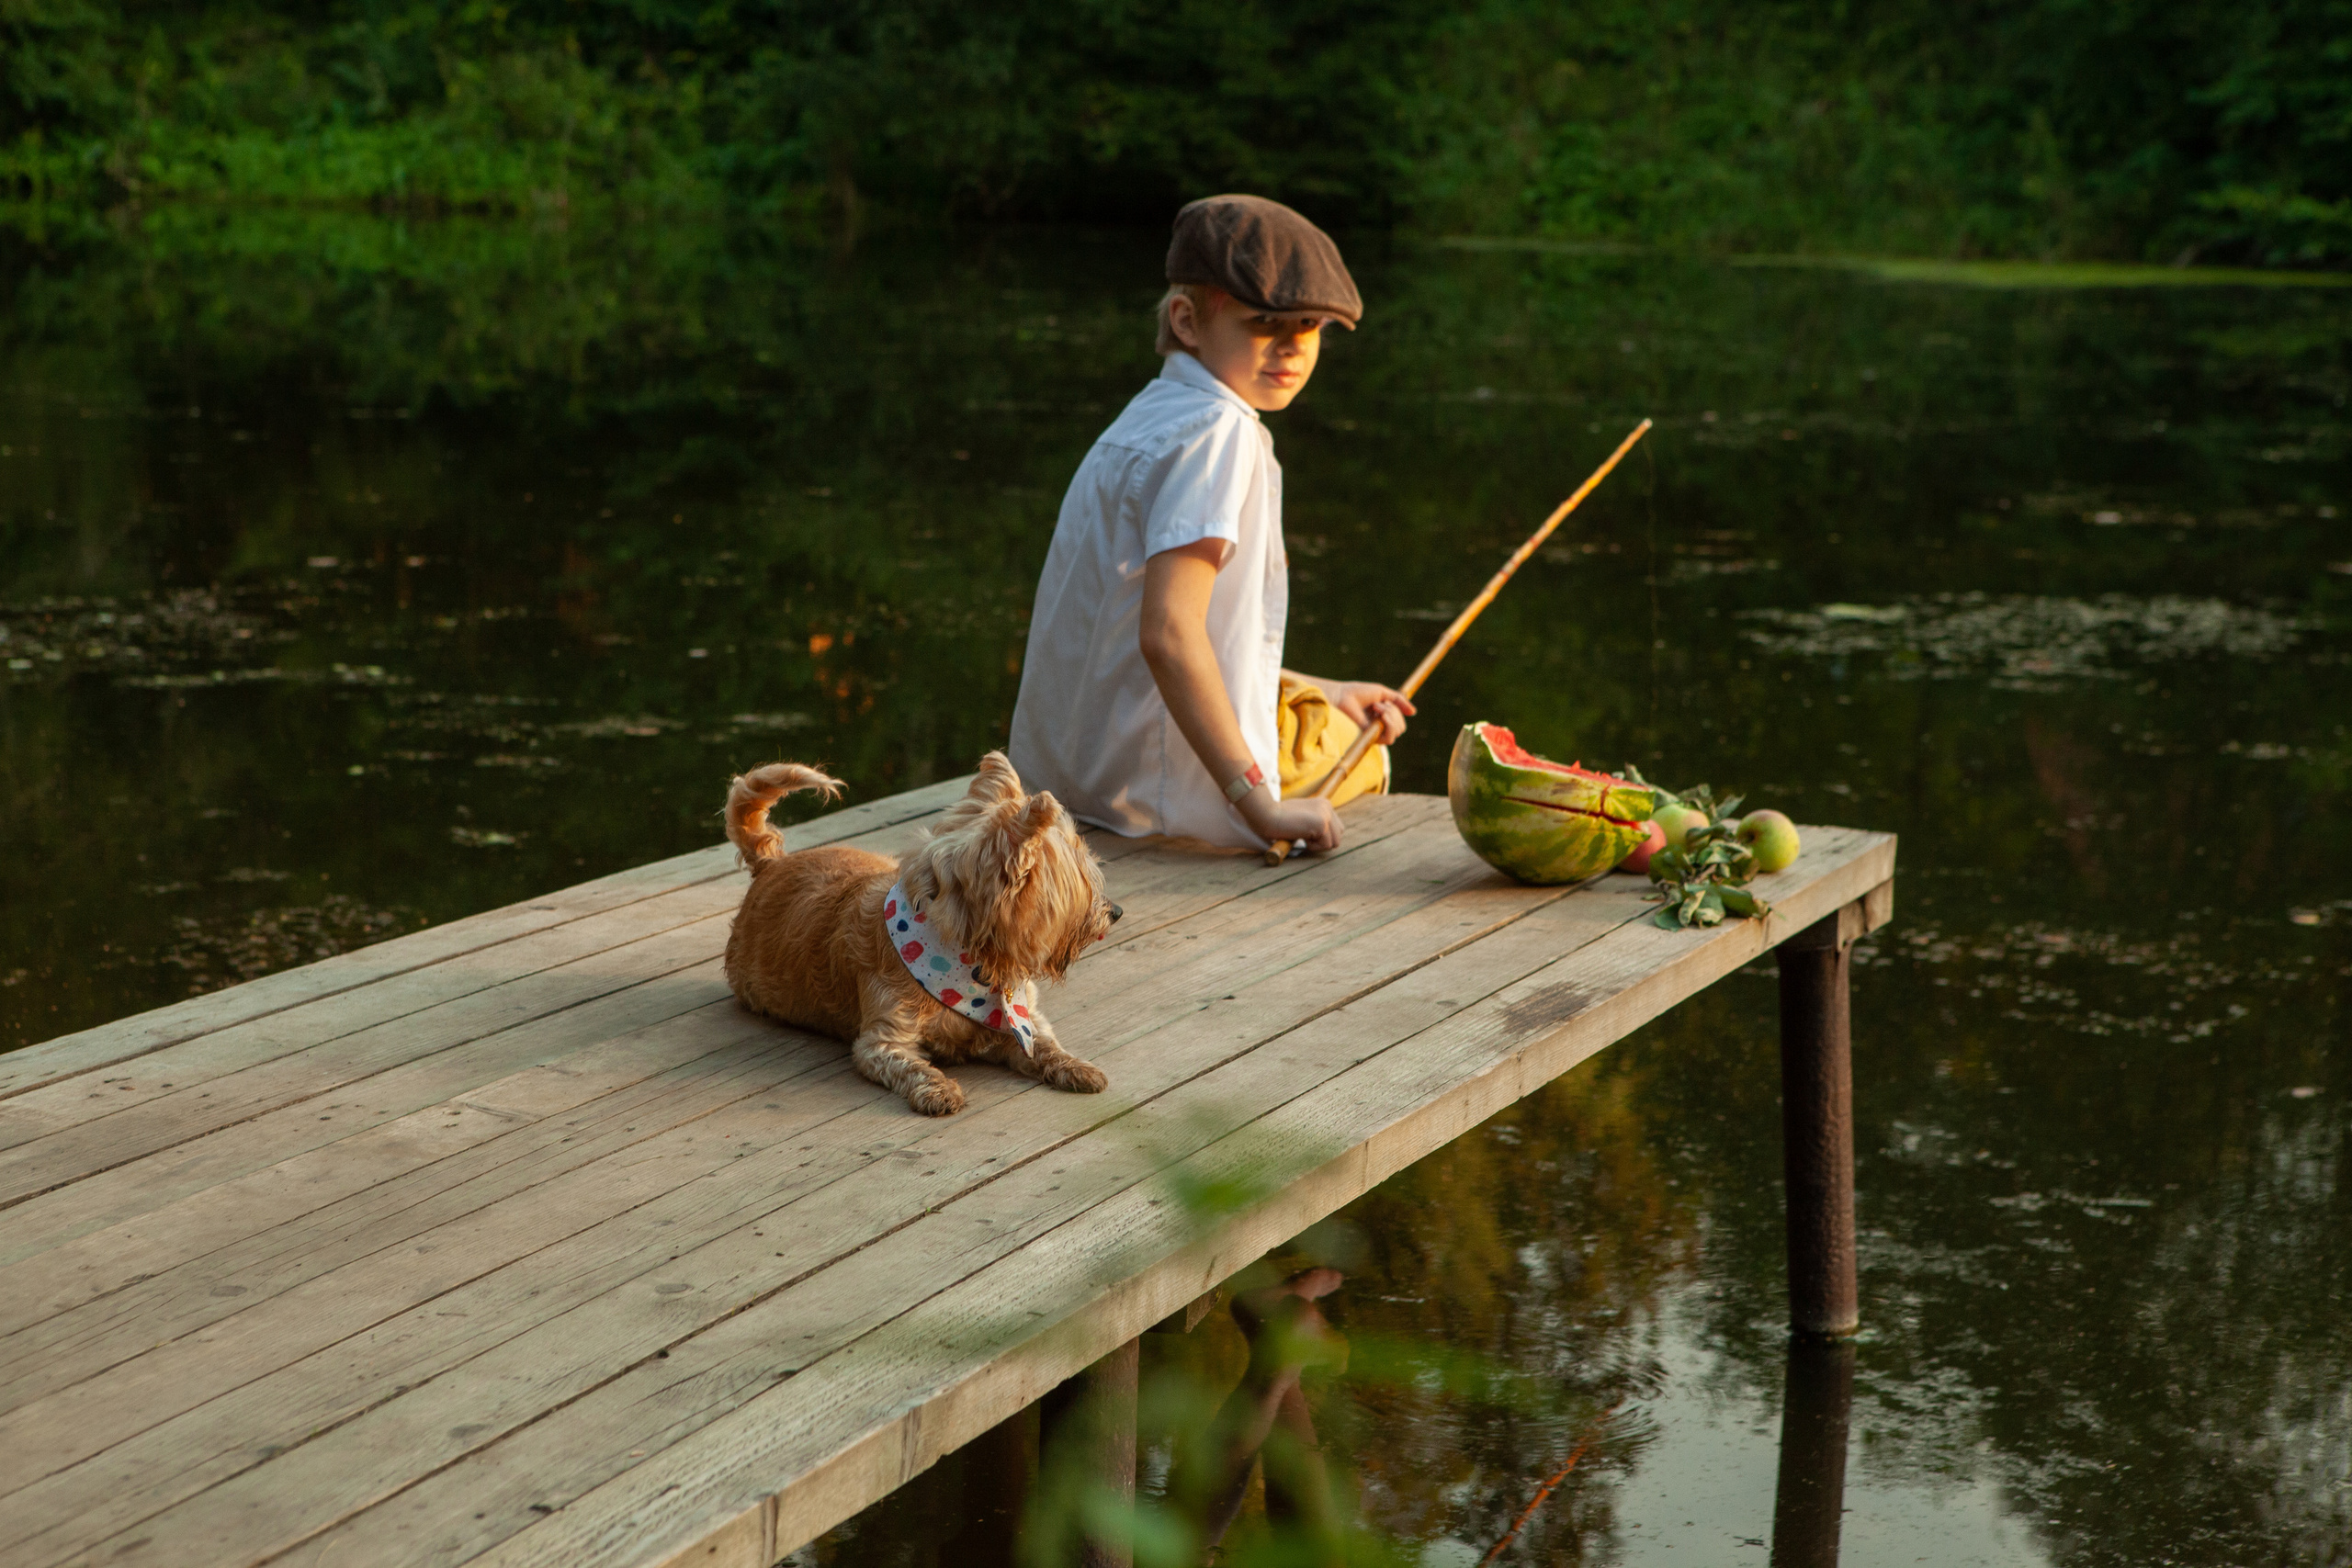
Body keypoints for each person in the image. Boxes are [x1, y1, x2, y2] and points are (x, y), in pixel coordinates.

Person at [1009, 194, 1412, 853]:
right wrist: (1261, 806)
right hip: (1150, 798)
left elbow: (1167, 633)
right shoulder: (1219, 431)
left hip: (1073, 781)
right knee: (1363, 755)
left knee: (1327, 713)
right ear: (1187, 320)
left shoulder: (1147, 416)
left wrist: (1326, 688)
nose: (1290, 348)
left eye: (1308, 326)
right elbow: (1169, 634)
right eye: (1264, 325)